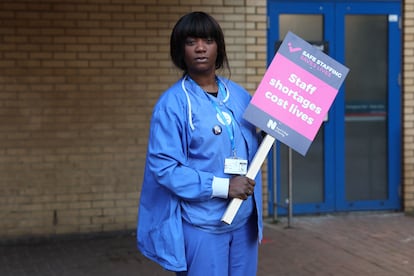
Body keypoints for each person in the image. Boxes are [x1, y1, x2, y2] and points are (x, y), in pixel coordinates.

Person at [137, 11, 263, 276]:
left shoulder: (239, 95)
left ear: (219, 46)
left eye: (207, 40)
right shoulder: (172, 105)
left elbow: (252, 146)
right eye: (191, 42)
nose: (201, 48)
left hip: (242, 220)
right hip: (202, 224)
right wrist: (223, 186)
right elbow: (165, 169)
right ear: (180, 51)